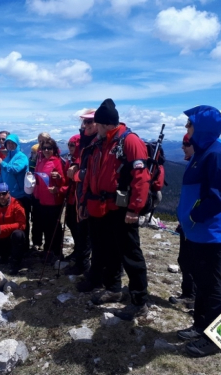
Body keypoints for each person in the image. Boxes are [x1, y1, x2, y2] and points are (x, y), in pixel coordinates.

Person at [79, 99, 150, 320]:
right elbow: (91, 176)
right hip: (101, 208)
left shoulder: (129, 141)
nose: (92, 128)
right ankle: (113, 289)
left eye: (96, 124)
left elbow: (141, 178)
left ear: (105, 124)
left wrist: (134, 209)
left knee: (130, 253)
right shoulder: (102, 143)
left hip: (121, 210)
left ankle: (139, 301)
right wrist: (83, 203)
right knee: (107, 250)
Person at [176, 105, 221, 358]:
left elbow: (220, 197)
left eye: (190, 125)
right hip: (197, 231)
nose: (186, 129)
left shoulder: (216, 154)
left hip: (209, 231)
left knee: (210, 284)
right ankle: (202, 326)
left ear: (201, 127)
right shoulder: (204, 151)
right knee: (201, 280)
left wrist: (193, 215)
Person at [64, 110, 97, 276]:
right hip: (83, 197)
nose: (86, 125)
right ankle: (83, 264)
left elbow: (92, 172)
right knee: (83, 232)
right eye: (84, 122)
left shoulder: (96, 143)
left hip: (93, 197)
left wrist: (77, 173)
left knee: (90, 234)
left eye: (90, 121)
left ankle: (89, 267)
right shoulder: (87, 142)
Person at [169, 134, 196, 308]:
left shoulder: (199, 165)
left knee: (191, 261)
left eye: (186, 143)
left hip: (195, 224)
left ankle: (195, 298)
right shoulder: (193, 164)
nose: (182, 147)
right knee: (184, 259)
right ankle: (189, 295)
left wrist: (192, 218)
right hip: (188, 223)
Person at [0, 134, 31, 247]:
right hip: (9, 197)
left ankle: (24, 247)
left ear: (17, 144)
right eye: (8, 143)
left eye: (12, 143)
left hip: (21, 195)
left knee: (22, 222)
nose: (10, 145)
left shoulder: (21, 157)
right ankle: (14, 246)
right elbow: (3, 175)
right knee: (11, 221)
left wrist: (2, 163)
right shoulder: (7, 158)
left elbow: (15, 169)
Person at [33, 138, 65, 263]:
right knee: (46, 226)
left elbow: (63, 181)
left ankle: (56, 252)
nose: (46, 150)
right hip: (42, 199)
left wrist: (58, 180)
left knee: (54, 227)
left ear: (54, 149)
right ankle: (48, 250)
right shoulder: (41, 161)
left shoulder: (57, 161)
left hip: (54, 200)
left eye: (49, 148)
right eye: (44, 148)